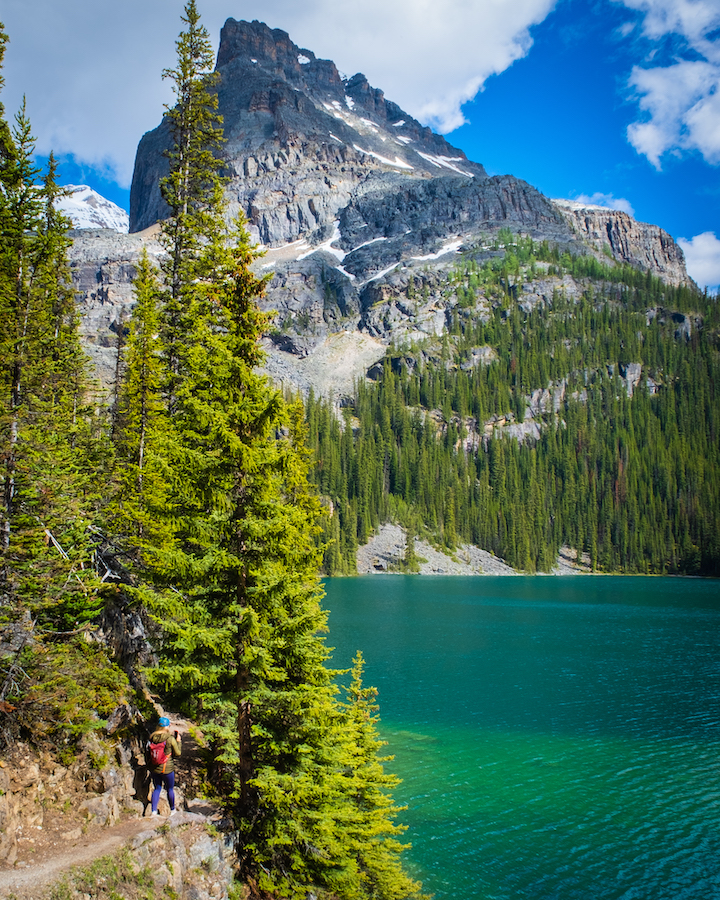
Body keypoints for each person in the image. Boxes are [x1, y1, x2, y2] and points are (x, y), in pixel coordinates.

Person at [147, 715, 182, 817]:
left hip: (154, 768)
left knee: (157, 788)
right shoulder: (170, 738)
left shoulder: (152, 737)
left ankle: (153, 811)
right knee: (170, 789)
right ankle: (172, 810)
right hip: (167, 768)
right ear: (167, 726)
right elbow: (178, 753)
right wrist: (178, 742)